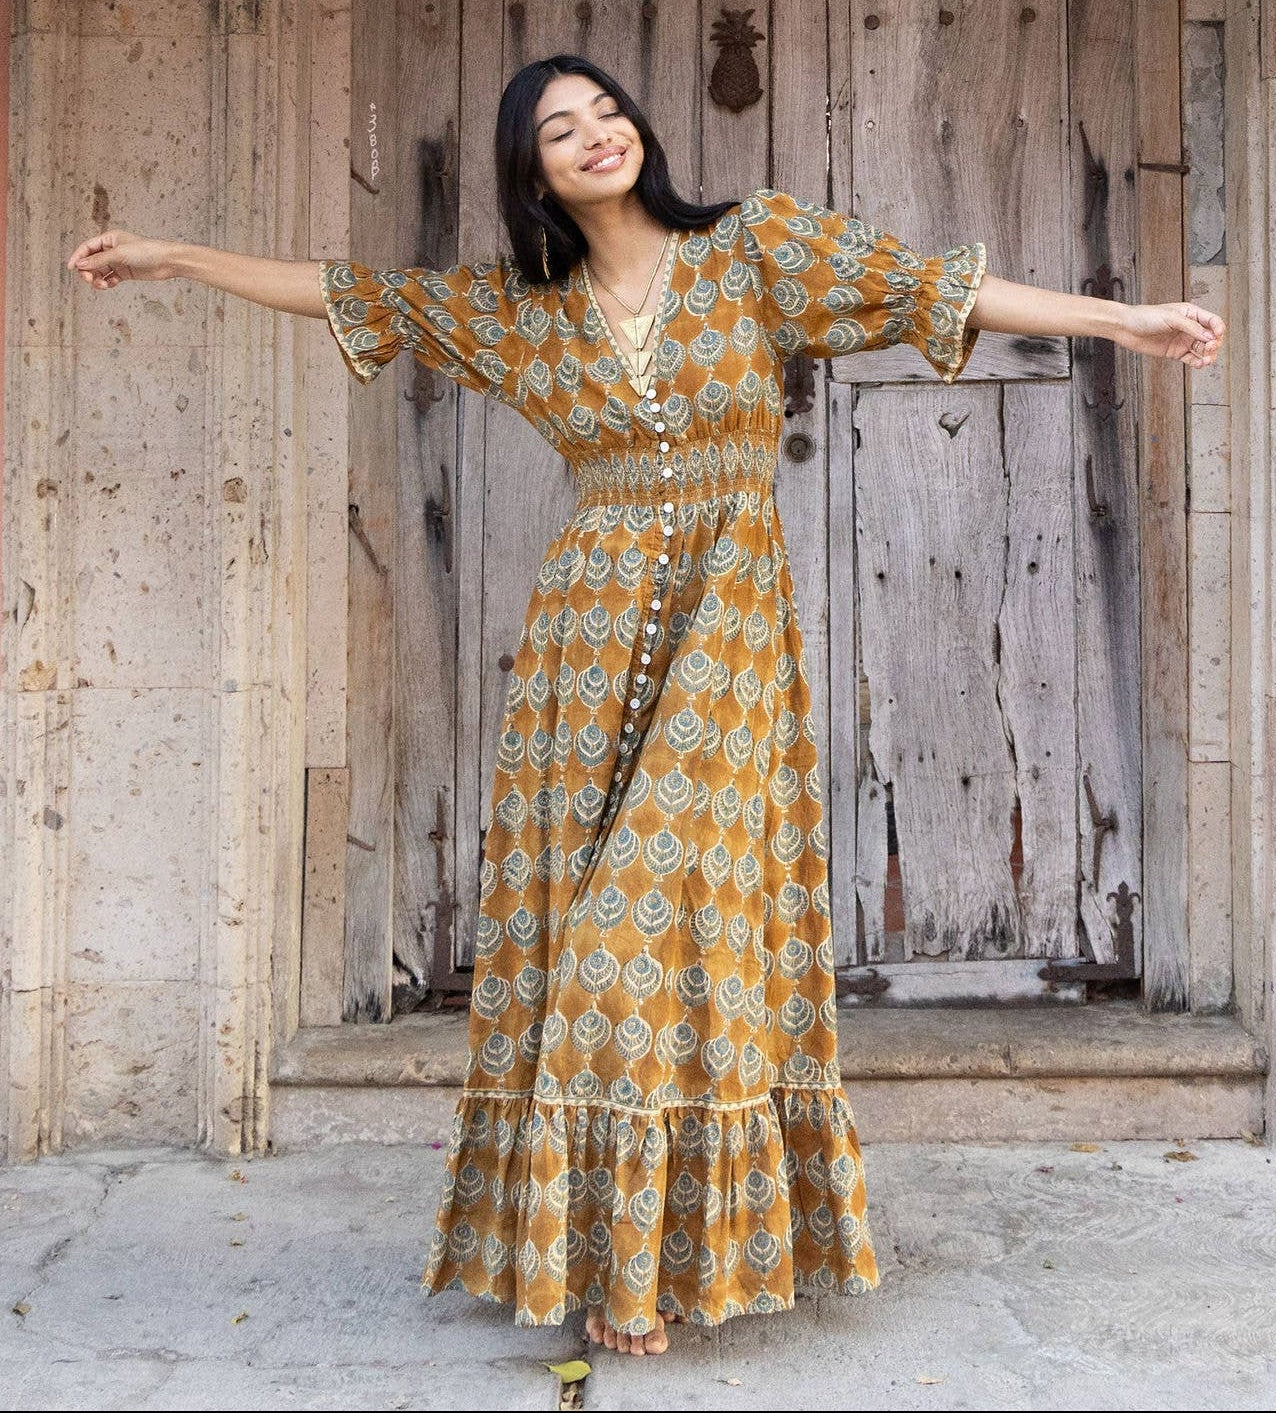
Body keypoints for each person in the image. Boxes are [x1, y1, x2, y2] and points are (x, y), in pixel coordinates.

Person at [67, 53, 1224, 1359]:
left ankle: (649, 1259)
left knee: (650, 932)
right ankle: (630, 1268)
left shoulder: (756, 250)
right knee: (597, 941)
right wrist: (174, 256)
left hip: (728, 641)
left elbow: (929, 290)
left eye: (606, 110)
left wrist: (1129, 325)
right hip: (586, 645)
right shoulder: (519, 311)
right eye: (562, 129)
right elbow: (358, 297)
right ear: (536, 172)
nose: (597, 134)